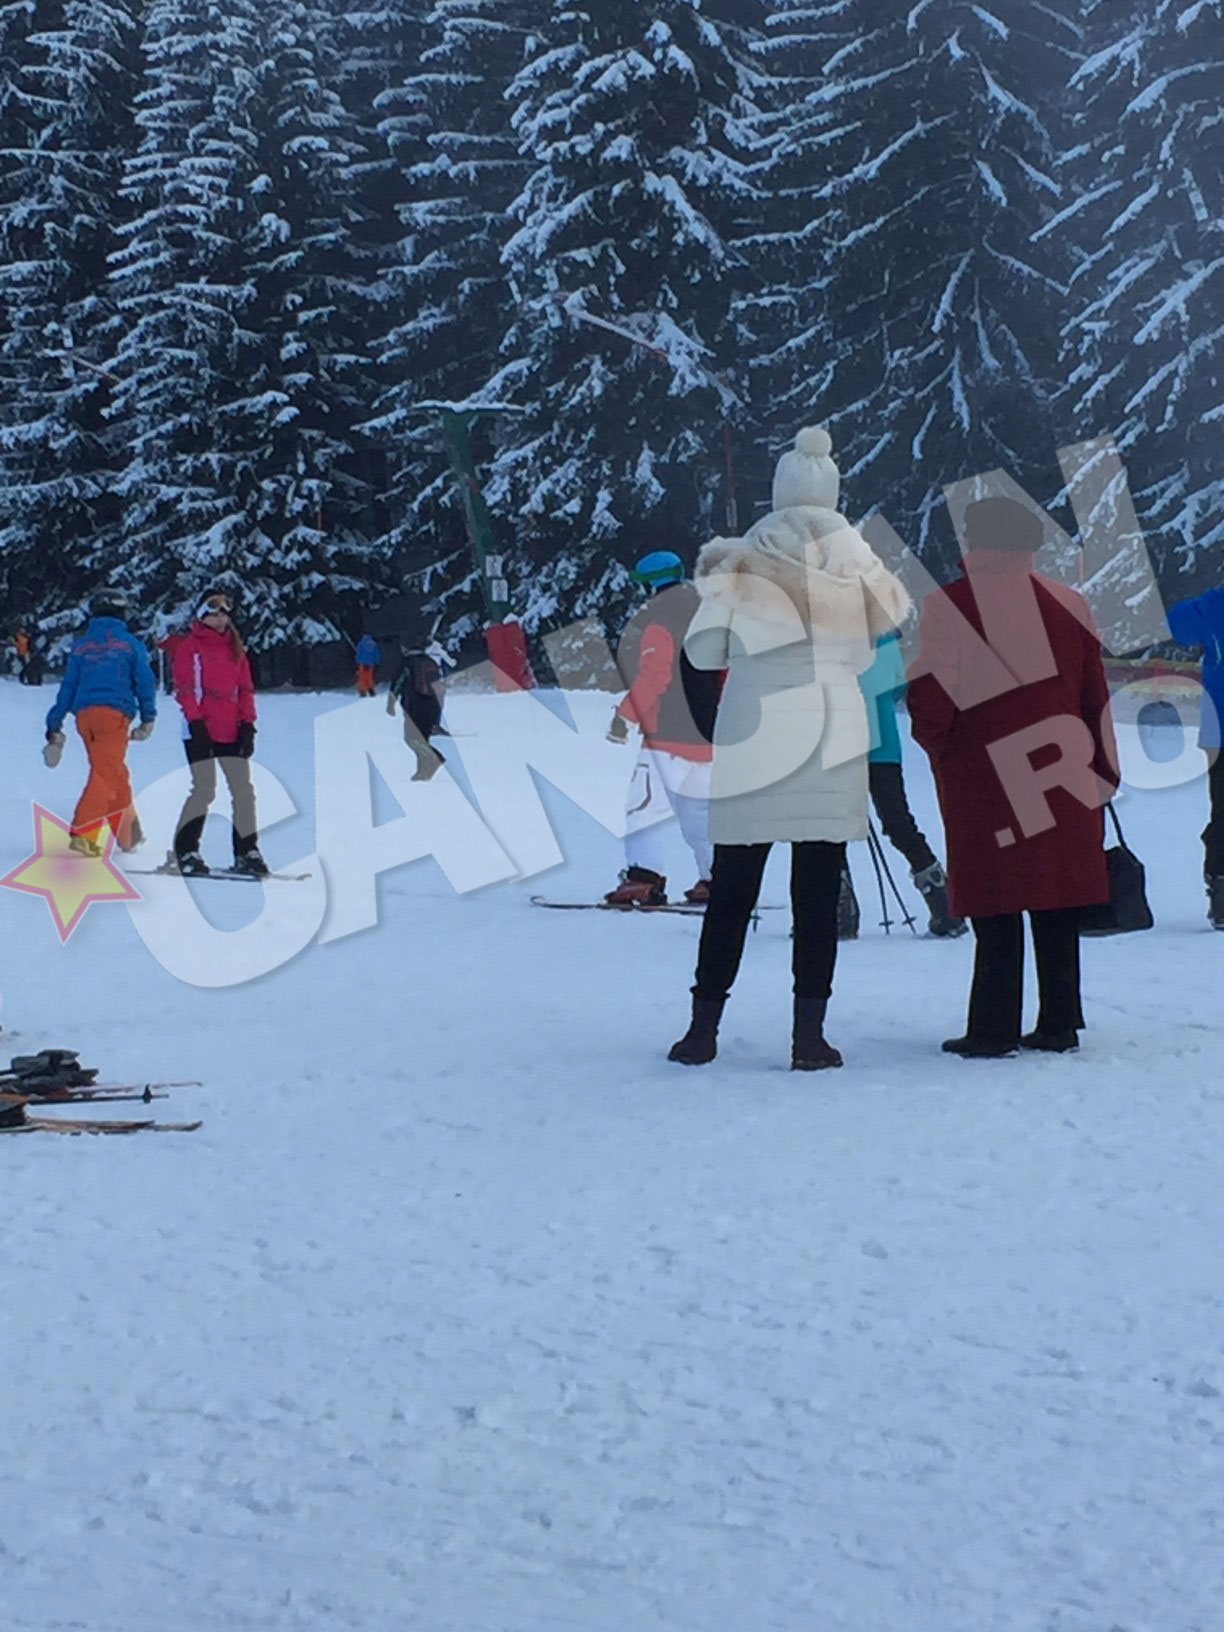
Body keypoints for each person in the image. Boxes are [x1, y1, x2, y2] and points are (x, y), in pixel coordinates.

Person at [667, 427, 910, 1070]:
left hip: (754, 740)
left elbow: (698, 655)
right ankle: (809, 1036)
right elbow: (876, 643)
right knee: (817, 892)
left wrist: (717, 718)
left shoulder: (740, 564)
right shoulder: (857, 565)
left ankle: (702, 1029)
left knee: (733, 891)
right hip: (831, 739)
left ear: (777, 495)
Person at [907, 495, 1119, 1057]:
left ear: (975, 544)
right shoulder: (1069, 603)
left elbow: (931, 695)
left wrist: (943, 749)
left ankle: (994, 1026)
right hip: (1063, 768)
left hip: (985, 776)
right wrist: (1103, 769)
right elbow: (1094, 695)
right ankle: (1059, 1022)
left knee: (995, 902)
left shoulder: (947, 606)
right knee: (1055, 894)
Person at [604, 550, 720, 906]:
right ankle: (718, 878)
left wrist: (625, 716)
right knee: (698, 813)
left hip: (666, 736)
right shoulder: (707, 617)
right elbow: (724, 672)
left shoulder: (659, 621)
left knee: (642, 808)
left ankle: (643, 878)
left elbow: (655, 675)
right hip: (706, 734)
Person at [860, 630, 966, 937]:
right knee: (898, 822)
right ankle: (941, 900)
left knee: (830, 827)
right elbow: (896, 687)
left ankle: (839, 908)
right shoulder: (885, 637)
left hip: (839, 740)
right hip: (883, 745)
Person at [42, 588, 157, 856]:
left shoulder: (82, 646)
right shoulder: (129, 643)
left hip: (85, 718)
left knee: (114, 771)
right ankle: (84, 833)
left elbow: (68, 687)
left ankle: (129, 836)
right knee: (105, 773)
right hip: (114, 715)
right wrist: (148, 717)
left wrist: (54, 722)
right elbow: (145, 681)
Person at [168, 589, 266, 877]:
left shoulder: (235, 648)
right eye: (214, 612)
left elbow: (245, 688)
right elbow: (186, 689)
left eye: (224, 612)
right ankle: (186, 849)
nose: (220, 617)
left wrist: (248, 724)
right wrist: (196, 723)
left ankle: (247, 850)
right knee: (204, 789)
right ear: (201, 615)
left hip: (230, 729)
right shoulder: (191, 647)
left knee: (243, 792)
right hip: (200, 728)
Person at [1165, 583, 1224, 929]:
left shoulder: (1213, 604)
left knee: (1223, 808)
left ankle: (1220, 888)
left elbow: (1179, 627)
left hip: (1218, 726)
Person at [387, 636, 455, 781]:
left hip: (415, 705)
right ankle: (423, 772)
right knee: (422, 738)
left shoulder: (408, 663)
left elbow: (397, 683)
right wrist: (437, 715)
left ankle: (434, 757)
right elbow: (439, 688)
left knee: (411, 738)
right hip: (432, 706)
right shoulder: (430, 662)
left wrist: (391, 703)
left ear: (405, 648)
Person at [355, 633, 381, 697]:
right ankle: (371, 690)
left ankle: (362, 691)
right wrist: (376, 662)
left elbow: (359, 654)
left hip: (362, 664)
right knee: (369, 677)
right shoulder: (374, 644)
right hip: (371, 664)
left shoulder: (360, 644)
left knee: (362, 678)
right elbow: (376, 655)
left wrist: (357, 661)